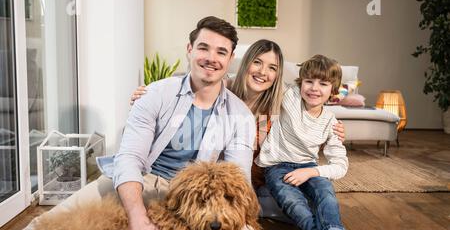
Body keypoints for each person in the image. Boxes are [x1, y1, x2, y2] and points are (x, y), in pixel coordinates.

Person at [0, 16, 257, 230]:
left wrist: (232, 228)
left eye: (221, 51)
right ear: (190, 49)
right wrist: (137, 219)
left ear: (230, 58)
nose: (211, 58)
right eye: (204, 47)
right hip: (140, 178)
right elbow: (130, 157)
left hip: (191, 195)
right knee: (46, 223)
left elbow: (239, 177)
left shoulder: (241, 116)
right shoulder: (155, 94)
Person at [131, 40, 346, 220]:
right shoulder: (223, 87)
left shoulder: (275, 104)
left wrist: (332, 128)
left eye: (272, 68)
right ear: (246, 63)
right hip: (205, 171)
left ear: (277, 75)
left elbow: (314, 96)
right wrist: (149, 92)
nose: (263, 72)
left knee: (293, 204)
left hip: (247, 176)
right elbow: (189, 84)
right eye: (257, 63)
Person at [255, 54, 358, 230]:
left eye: (323, 84)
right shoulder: (289, 97)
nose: (314, 88)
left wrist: (311, 171)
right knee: (294, 202)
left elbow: (340, 165)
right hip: (277, 166)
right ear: (300, 83)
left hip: (309, 167)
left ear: (333, 91)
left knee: (326, 192)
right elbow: (266, 79)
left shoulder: (331, 122)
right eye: (309, 81)